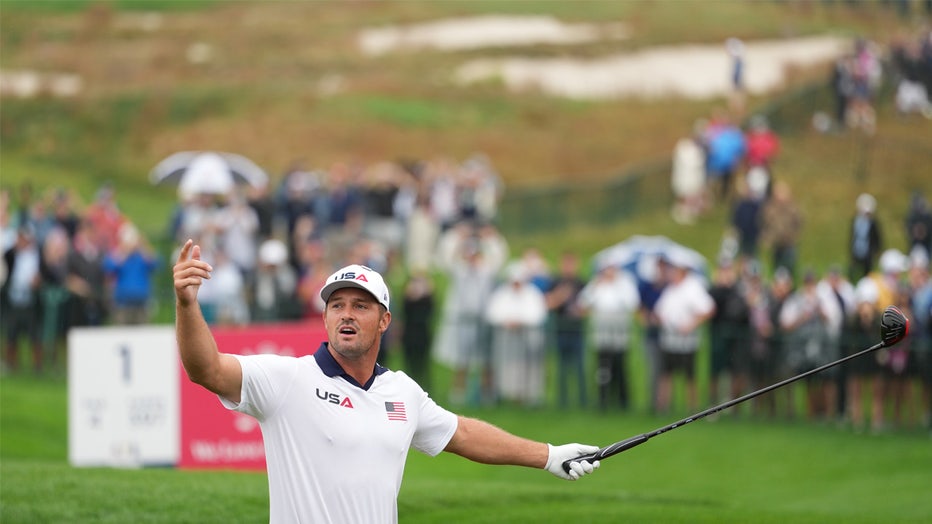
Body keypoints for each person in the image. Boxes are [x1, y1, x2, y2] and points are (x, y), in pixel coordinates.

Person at [172, 240, 600, 522]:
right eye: (337, 305)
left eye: (360, 306)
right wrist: (187, 304)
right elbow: (205, 369)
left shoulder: (403, 392)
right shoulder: (289, 378)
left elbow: (464, 434)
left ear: (384, 321)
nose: (346, 314)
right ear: (324, 317)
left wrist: (548, 455)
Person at [653, 253, 716, 414]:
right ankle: (663, 408)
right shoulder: (671, 289)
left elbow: (708, 309)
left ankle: (692, 409)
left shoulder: (693, 287)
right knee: (666, 374)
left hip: (687, 341)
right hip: (670, 339)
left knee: (690, 376)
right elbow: (659, 311)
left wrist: (691, 324)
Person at [577, 264, 641, 411]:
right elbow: (584, 303)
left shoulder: (625, 285)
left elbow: (632, 303)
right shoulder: (596, 284)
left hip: (619, 331)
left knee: (620, 366)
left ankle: (622, 400)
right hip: (601, 332)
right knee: (603, 369)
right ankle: (603, 400)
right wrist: (597, 286)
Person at [546, 251, 589, 409]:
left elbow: (589, 306)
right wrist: (561, 296)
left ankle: (583, 401)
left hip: (578, 330)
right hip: (561, 330)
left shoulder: (582, 283)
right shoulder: (555, 282)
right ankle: (562, 402)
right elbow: (548, 303)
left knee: (580, 367)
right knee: (562, 368)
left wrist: (581, 311)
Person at [848, 192, 883, 283]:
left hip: (868, 253)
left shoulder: (873, 223)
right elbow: (852, 237)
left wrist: (877, 252)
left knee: (867, 274)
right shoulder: (856, 221)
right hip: (857, 251)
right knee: (853, 271)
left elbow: (877, 238)